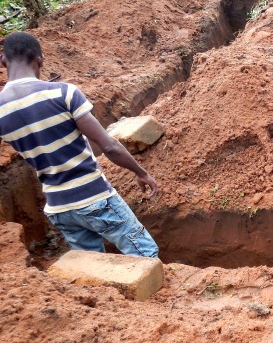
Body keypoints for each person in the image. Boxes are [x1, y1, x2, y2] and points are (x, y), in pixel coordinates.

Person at [0, 32, 160, 258]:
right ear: (40, 60)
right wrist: (141, 172)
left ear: (3, 60)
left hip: (58, 209)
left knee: (95, 266)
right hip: (94, 198)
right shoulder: (62, 93)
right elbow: (109, 146)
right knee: (145, 255)